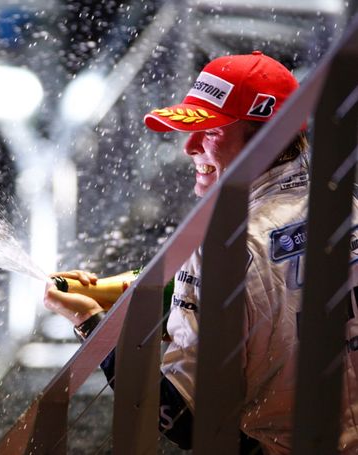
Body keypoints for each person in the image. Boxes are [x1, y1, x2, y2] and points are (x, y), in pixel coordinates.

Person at [44, 51, 358, 454]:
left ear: (268, 137)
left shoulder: (222, 251)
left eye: (209, 131)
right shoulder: (342, 206)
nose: (189, 147)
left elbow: (182, 419)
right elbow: (264, 298)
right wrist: (123, 293)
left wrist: (89, 324)